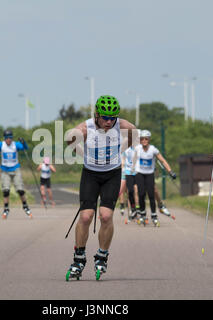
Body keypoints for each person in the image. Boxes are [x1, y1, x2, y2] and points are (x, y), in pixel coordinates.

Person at [65, 95, 136, 280]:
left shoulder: (121, 125)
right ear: (96, 114)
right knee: (86, 216)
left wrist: (121, 149)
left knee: (106, 215)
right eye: (105, 117)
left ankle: (102, 254)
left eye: (112, 117)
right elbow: (69, 139)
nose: (109, 121)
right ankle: (79, 257)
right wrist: (83, 154)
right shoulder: (85, 128)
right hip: (90, 174)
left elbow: (134, 133)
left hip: (112, 174)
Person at [132, 130, 176, 226]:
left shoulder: (153, 149)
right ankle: (143, 215)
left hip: (149, 174)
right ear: (140, 140)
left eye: (146, 139)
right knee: (141, 194)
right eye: (142, 139)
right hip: (139, 173)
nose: (144, 140)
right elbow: (133, 160)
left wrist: (170, 171)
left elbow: (163, 161)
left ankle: (154, 216)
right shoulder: (137, 148)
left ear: (149, 139)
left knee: (151, 195)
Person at [0, 130, 32, 219]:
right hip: (5, 170)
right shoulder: (1, 145)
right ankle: (6, 209)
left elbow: (25, 148)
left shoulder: (16, 144)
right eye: (7, 138)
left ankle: (25, 206)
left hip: (15, 169)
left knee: (20, 190)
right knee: (6, 190)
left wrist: (23, 142)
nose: (9, 140)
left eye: (10, 138)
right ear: (5, 139)